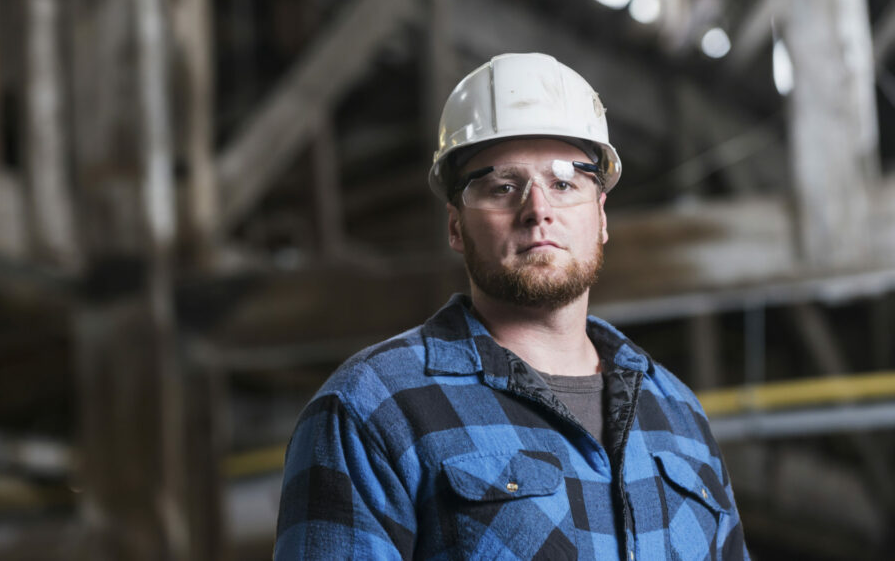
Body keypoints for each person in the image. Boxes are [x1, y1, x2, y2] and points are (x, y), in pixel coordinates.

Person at [275, 53, 748, 560]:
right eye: (503, 187)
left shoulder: (678, 414)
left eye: (565, 183)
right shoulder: (372, 409)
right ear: (456, 226)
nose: (538, 210)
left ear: (601, 217)